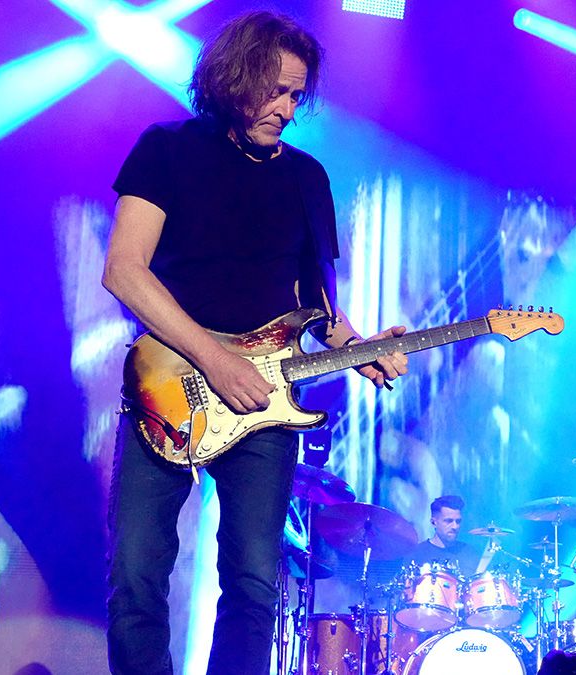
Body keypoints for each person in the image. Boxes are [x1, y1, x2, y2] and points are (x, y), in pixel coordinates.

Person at [102, 12, 409, 674]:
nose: (288, 110)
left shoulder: (307, 178)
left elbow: (322, 313)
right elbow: (123, 269)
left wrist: (363, 348)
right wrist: (215, 358)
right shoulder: (167, 149)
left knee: (252, 585)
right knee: (135, 573)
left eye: (298, 96)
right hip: (168, 385)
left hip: (265, 404)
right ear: (234, 75)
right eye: (277, 91)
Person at [409, 495, 482, 576]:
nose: (455, 526)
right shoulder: (417, 554)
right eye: (448, 521)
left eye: (458, 521)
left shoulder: (469, 553)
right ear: (433, 522)